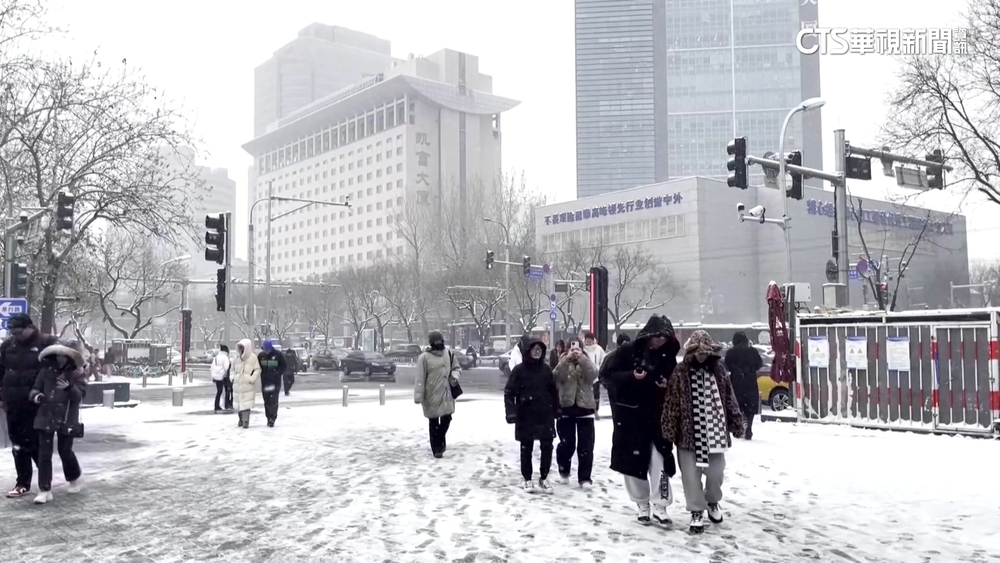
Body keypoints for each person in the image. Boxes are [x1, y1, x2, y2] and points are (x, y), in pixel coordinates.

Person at [662, 330, 745, 534]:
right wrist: (669, 431)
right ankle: (696, 511)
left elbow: (729, 398)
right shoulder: (681, 371)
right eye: (698, 352)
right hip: (687, 435)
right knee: (690, 476)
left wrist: (735, 422)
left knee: (716, 474)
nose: (701, 356)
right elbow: (671, 402)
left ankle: (712, 501)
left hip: (715, 432)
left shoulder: (719, 371)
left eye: (705, 352)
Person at [600, 315, 680, 526]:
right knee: (632, 464)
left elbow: (674, 382)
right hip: (630, 418)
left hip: (657, 417)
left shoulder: (668, 357)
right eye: (656, 337)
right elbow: (608, 376)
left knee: (659, 460)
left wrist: (666, 385)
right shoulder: (627, 353)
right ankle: (641, 503)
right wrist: (632, 378)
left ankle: (661, 505)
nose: (659, 342)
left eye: (664, 338)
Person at [0, 314, 56, 498]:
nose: (15, 335)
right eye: (12, 332)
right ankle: (22, 482)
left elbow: (62, 368)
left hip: (37, 403)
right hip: (13, 402)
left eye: (19, 331)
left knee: (36, 442)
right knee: (18, 443)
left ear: (29, 327)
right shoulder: (7, 346)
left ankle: (45, 483)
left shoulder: (47, 343)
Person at [28, 340, 88, 504]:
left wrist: (69, 388)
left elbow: (80, 397)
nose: (61, 358)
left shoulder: (77, 373)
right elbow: (35, 389)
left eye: (65, 355)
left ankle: (74, 477)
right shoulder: (45, 371)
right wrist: (36, 396)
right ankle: (44, 489)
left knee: (65, 450)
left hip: (67, 416)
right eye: (59, 355)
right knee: (44, 453)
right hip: (46, 414)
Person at [504, 339, 560, 494]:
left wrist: (557, 409)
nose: (537, 352)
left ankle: (544, 477)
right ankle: (527, 478)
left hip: (545, 413)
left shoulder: (546, 370)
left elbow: (553, 392)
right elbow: (509, 392)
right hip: (525, 413)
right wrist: (511, 412)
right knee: (526, 447)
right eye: (535, 349)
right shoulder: (519, 370)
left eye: (540, 349)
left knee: (547, 446)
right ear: (528, 351)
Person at [552, 339, 598, 488]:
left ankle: (585, 478)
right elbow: (556, 377)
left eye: (577, 348)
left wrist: (582, 359)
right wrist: (566, 359)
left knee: (586, 447)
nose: (575, 351)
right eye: (572, 348)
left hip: (585, 410)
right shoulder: (562, 361)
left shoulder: (586, 360)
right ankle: (564, 471)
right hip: (566, 409)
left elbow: (593, 376)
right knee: (567, 444)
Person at [414, 331, 461, 458]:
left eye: (441, 341)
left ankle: (440, 441)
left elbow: (457, 368)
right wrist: (419, 395)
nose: (439, 344)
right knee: (433, 421)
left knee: (447, 418)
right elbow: (420, 378)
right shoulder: (424, 358)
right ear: (432, 343)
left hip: (446, 394)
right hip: (431, 394)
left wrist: (454, 376)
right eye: (437, 341)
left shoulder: (449, 354)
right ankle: (437, 449)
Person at [724, 332, 764, 440]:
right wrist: (750, 370)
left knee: (738, 405)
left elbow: (726, 366)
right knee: (750, 407)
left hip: (736, 381)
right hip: (750, 381)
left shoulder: (731, 352)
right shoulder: (753, 351)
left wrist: (736, 370)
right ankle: (749, 426)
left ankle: (740, 426)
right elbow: (759, 364)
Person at [233, 339, 261, 429]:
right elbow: (232, 369)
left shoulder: (253, 358)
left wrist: (251, 378)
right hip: (238, 384)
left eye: (242, 347)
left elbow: (257, 369)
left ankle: (245, 421)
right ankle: (241, 419)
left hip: (248, 385)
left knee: (246, 405)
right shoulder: (236, 357)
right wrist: (233, 377)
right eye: (240, 347)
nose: (241, 349)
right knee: (239, 404)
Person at [258, 341, 286, 427]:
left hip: (275, 382)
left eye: (266, 349)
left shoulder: (278, 355)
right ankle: (268, 417)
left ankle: (272, 418)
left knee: (273, 401)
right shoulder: (261, 356)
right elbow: (258, 367)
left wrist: (277, 373)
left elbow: (284, 365)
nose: (265, 350)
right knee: (266, 401)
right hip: (265, 382)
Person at [582, 331, 607, 417]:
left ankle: (596, 410)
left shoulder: (598, 349)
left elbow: (603, 360)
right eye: (587, 341)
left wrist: (599, 370)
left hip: (596, 375)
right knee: (586, 393)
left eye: (590, 341)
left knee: (596, 394)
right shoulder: (583, 349)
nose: (588, 342)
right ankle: (587, 409)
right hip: (585, 375)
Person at [211, 345, 233, 412]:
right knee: (227, 390)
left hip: (217, 377)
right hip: (223, 376)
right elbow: (226, 367)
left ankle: (216, 405)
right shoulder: (225, 357)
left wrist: (214, 376)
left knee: (219, 391)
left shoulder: (216, 357)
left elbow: (212, 367)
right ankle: (227, 404)